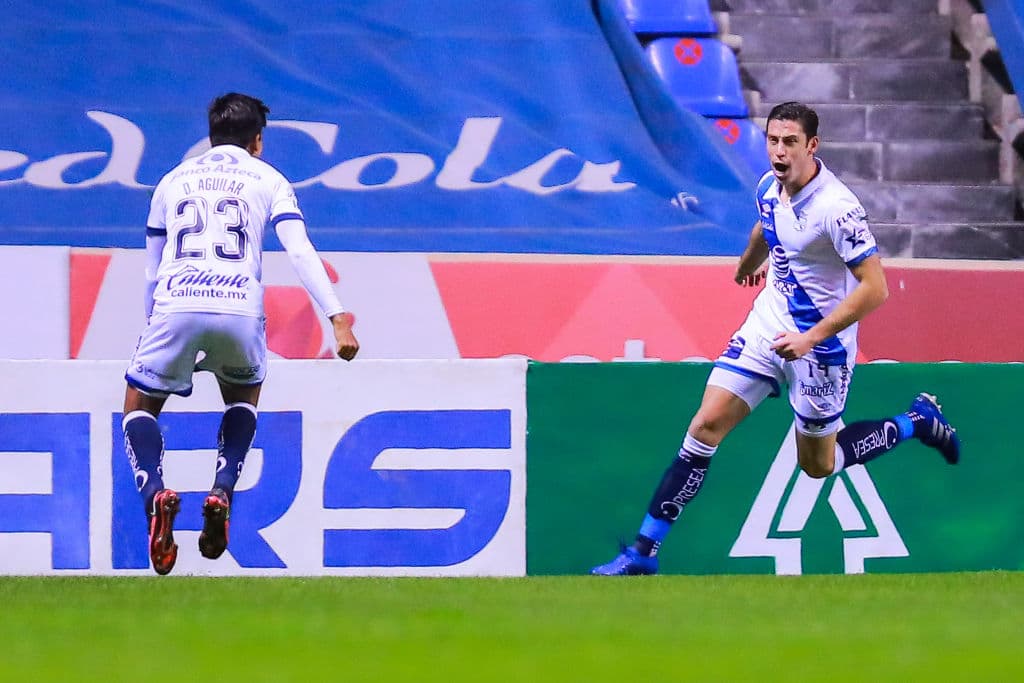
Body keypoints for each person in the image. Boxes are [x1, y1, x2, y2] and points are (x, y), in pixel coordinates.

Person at [591, 101, 960, 576]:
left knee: (818, 465)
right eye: (772, 140)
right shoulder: (769, 186)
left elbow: (876, 288)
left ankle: (917, 421)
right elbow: (766, 226)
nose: (779, 151)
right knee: (705, 426)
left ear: (812, 146)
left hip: (821, 347)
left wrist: (812, 337)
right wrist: (747, 264)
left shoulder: (838, 209)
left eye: (790, 142)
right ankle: (643, 553)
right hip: (768, 324)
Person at [122, 93, 359, 576]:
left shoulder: (171, 180)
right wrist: (335, 316)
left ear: (210, 137)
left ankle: (155, 496)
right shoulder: (269, 178)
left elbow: (151, 270)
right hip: (238, 307)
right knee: (243, 397)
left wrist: (157, 323)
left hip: (177, 303)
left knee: (139, 405)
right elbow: (298, 250)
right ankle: (222, 488)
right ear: (258, 141)